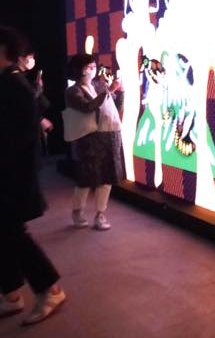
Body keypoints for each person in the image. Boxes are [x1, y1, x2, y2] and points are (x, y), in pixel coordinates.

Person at [0, 26, 66, 324]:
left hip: (11, 177)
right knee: (5, 234)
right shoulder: (8, 81)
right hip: (10, 174)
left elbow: (21, 136)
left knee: (13, 234)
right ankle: (12, 294)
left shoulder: (13, 84)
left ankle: (50, 289)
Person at [63, 54, 124, 231]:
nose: (93, 69)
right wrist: (108, 91)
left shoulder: (99, 85)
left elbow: (115, 107)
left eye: (93, 66)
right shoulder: (73, 91)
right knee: (87, 176)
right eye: (89, 66)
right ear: (79, 69)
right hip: (89, 137)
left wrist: (120, 91)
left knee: (107, 176)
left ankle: (100, 214)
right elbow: (87, 107)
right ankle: (77, 211)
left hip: (110, 133)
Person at [16, 47, 54, 154]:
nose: (32, 60)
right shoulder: (16, 78)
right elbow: (24, 104)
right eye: (30, 57)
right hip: (23, 131)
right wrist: (40, 119)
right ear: (20, 58)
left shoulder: (24, 77)